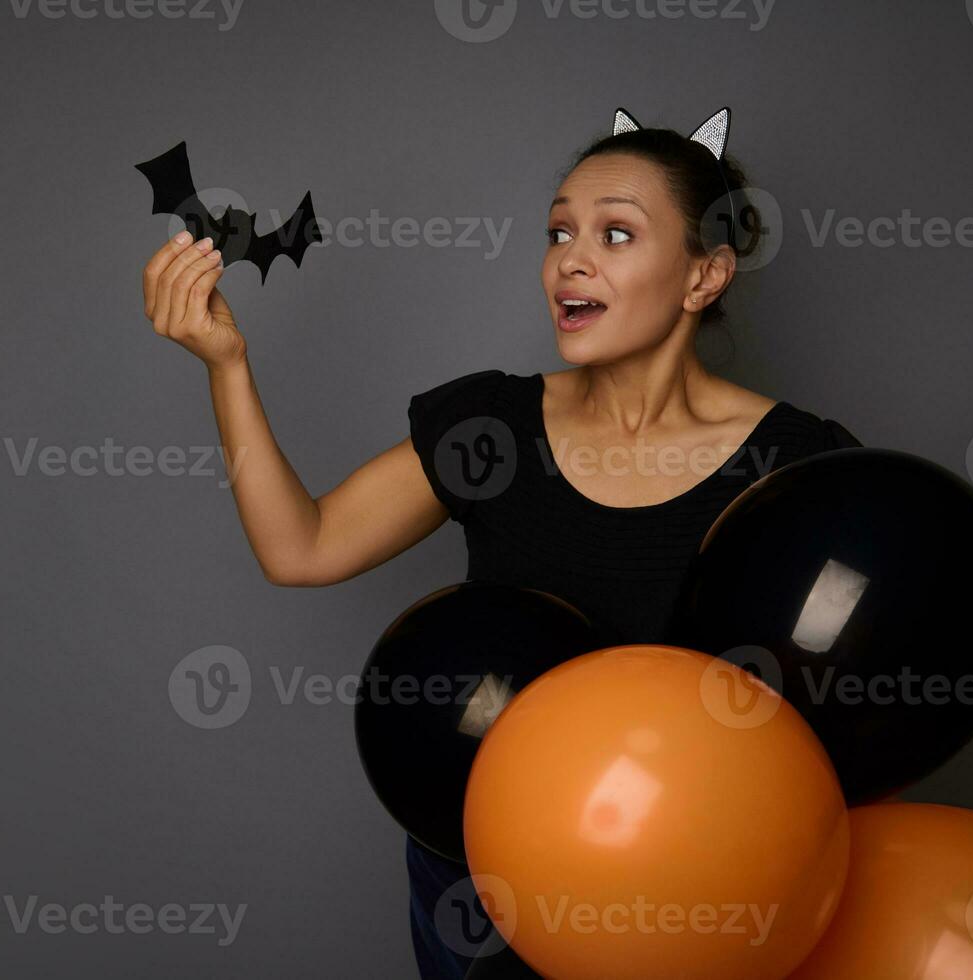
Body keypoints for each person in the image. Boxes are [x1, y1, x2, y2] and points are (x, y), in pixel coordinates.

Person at [138, 109, 861, 980]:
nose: (570, 259)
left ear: (703, 275)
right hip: (491, 894)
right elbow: (304, 547)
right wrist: (227, 367)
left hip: (710, 897)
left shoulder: (797, 465)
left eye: (616, 233)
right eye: (559, 231)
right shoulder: (492, 427)